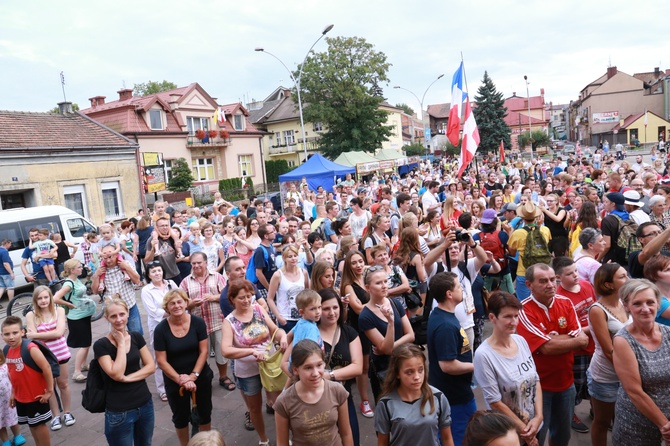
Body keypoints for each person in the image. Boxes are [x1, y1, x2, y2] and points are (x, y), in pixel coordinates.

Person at [516, 264, 589, 446]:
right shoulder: (523, 310)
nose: (550, 284)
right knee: (536, 438)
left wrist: (549, 340)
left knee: (562, 437)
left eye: (552, 280)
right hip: (537, 389)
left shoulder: (565, 303)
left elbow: (583, 340)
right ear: (529, 284)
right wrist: (556, 342)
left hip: (566, 383)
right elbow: (548, 348)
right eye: (543, 281)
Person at [473, 291, 542, 446]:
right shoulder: (484, 355)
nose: (514, 322)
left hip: (535, 426)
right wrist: (525, 432)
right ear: (492, 318)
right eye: (507, 317)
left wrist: (539, 417)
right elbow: (495, 402)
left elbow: (535, 380)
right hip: (508, 435)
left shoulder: (521, 341)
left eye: (516, 316)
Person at [222, 278, 286, 443]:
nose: (246, 300)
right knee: (254, 408)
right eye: (241, 297)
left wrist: (283, 336)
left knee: (278, 403)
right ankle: (263, 439)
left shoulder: (258, 309)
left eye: (249, 296)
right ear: (232, 299)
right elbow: (226, 350)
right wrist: (251, 351)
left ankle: (283, 438)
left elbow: (274, 329)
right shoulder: (229, 321)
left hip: (270, 364)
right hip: (248, 370)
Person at [612, 279, 670, 445]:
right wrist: (665, 427)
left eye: (650, 302)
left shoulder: (668, 333)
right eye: (637, 303)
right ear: (626, 306)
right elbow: (635, 392)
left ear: (658, 304)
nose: (645, 309)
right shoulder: (623, 341)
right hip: (636, 428)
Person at [154, 288, 213, 445]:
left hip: (200, 376)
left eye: (180, 302)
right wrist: (181, 379)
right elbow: (161, 361)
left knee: (204, 413)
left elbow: (204, 351)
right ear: (167, 308)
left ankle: (205, 444)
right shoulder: (161, 329)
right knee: (180, 417)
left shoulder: (198, 323)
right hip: (175, 380)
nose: (176, 306)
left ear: (186, 303)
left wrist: (193, 376)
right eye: (172, 303)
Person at [94, 298, 154, 446]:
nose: (119, 319)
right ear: (106, 317)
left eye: (122, 314)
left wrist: (127, 378)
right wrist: (121, 344)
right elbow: (115, 374)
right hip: (119, 411)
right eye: (113, 316)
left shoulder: (136, 337)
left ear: (128, 314)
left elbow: (151, 366)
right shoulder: (101, 345)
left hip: (145, 403)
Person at [274, 339, 353, 446]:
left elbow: (346, 433)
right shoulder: (283, 402)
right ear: (296, 370)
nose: (315, 373)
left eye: (319, 365)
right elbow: (282, 443)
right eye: (308, 368)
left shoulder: (337, 391)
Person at [427, 272, 474, 446]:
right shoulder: (445, 325)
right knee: (459, 438)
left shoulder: (442, 315)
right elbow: (447, 365)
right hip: (454, 396)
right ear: (449, 294)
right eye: (458, 287)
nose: (462, 289)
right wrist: (474, 366)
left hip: (455, 393)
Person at [375, 344, 453, 446]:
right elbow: (382, 443)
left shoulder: (438, 397)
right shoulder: (386, 404)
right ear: (397, 374)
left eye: (420, 370)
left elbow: (447, 438)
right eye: (409, 372)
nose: (417, 377)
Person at [587, 263, 631, 446]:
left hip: (625, 373)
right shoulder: (597, 310)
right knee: (602, 422)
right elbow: (608, 350)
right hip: (605, 376)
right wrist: (633, 370)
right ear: (608, 284)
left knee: (622, 420)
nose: (628, 279)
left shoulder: (622, 303)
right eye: (622, 277)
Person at [359, 266, 415, 405]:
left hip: (403, 364)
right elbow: (387, 350)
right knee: (389, 412)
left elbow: (411, 335)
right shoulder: (365, 315)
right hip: (385, 371)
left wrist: (390, 345)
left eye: (385, 281)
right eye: (378, 283)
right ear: (368, 287)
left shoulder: (395, 303)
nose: (384, 286)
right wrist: (390, 322)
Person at [553, 257, 597, 433]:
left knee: (595, 382)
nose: (575, 276)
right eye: (569, 274)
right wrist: (595, 326)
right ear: (559, 277)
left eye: (576, 271)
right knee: (576, 385)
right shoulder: (559, 298)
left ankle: (597, 412)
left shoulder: (587, 286)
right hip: (578, 350)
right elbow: (569, 331)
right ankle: (570, 414)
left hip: (595, 345)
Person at [180, 252, 232, 390]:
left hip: (218, 321)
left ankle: (223, 376)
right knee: (202, 353)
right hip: (198, 326)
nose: (196, 266)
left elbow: (227, 295)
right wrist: (191, 304)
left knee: (221, 351)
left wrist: (214, 297)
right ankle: (205, 377)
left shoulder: (217, 277)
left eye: (199, 263)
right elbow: (181, 303)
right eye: (193, 263)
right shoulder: (185, 281)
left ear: (206, 262)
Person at [26, 286, 75, 431]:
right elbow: (32, 337)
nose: (43, 301)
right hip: (43, 356)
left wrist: (36, 335)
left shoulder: (59, 310)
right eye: (40, 298)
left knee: (63, 384)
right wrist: (53, 333)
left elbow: (59, 332)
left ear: (50, 297)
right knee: (50, 386)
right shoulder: (31, 315)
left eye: (46, 297)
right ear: (35, 300)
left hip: (61, 354)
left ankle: (67, 412)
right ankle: (55, 415)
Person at [2, 316, 53, 446]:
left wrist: (49, 391)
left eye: (15, 332)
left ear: (22, 332)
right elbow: (12, 374)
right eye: (7, 334)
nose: (11, 337)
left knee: (39, 426)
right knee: (32, 424)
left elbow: (46, 368)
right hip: (21, 397)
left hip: (36, 396)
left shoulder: (30, 348)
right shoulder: (7, 350)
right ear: (2, 335)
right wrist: (14, 393)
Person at [339, 251, 374, 417]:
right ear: (348, 265)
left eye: (360, 261)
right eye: (354, 263)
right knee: (364, 366)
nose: (358, 265)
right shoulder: (348, 285)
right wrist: (376, 305)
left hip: (374, 324)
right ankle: (365, 401)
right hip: (359, 328)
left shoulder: (367, 277)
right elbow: (358, 309)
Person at [141, 261, 178, 402]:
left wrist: (176, 312)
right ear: (149, 275)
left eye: (159, 270)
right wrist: (174, 311)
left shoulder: (171, 284)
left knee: (176, 353)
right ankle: (162, 389)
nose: (157, 273)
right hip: (158, 326)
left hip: (176, 323)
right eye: (153, 271)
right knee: (159, 357)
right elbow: (153, 311)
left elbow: (180, 299)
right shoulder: (146, 290)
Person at [53, 259, 94, 383]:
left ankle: (84, 364)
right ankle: (77, 372)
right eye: (79, 267)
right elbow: (55, 298)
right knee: (85, 344)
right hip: (77, 317)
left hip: (83, 315)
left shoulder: (75, 280)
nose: (81, 268)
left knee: (87, 342)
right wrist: (69, 305)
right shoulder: (69, 283)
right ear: (72, 270)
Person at [92, 245, 143, 334]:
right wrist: (96, 275)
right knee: (117, 336)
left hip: (129, 305)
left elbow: (137, 280)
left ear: (116, 254)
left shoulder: (125, 264)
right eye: (105, 258)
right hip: (113, 311)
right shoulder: (101, 269)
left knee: (137, 333)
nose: (108, 260)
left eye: (110, 257)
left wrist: (127, 267)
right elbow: (95, 291)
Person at [508, 201, 552, 300]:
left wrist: (509, 233)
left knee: (524, 303)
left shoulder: (518, 233)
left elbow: (512, 252)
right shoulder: (545, 230)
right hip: (541, 271)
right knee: (542, 300)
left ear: (522, 217)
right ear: (536, 216)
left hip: (524, 272)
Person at [266, 244, 309, 332]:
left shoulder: (303, 272)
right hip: (285, 318)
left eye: (295, 256)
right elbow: (270, 298)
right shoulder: (278, 275)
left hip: (302, 317)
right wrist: (278, 316)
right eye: (290, 256)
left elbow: (307, 293)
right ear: (284, 258)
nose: (293, 258)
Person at [144, 217, 182, 284]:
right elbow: (147, 261)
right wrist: (153, 248)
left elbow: (177, 256)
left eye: (166, 225)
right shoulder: (152, 240)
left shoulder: (172, 238)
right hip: (161, 277)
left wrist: (178, 250)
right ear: (157, 228)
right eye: (162, 226)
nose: (165, 227)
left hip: (175, 273)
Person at [0, 346, 25, 446]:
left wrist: (15, 393)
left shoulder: (5, 367)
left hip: (9, 400)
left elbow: (13, 380)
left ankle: (17, 435)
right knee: (0, 425)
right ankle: (5, 441)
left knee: (13, 419)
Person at [0, 239, 14, 308]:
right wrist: (11, 273)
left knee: (1, 287)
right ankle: (12, 303)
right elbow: (5, 263)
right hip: (6, 273)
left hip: (0, 272)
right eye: (10, 244)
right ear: (6, 243)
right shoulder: (4, 251)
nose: (10, 245)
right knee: (10, 287)